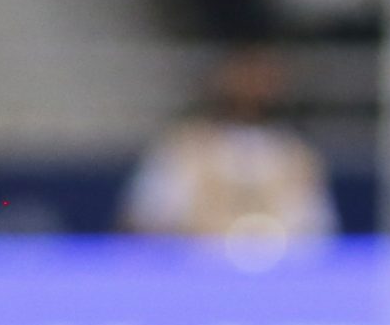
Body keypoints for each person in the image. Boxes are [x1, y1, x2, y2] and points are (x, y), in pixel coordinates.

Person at [120, 45, 336, 245]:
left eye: (262, 77)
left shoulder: (295, 154)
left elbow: (316, 230)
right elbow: (146, 218)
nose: (252, 86)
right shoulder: (183, 145)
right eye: (245, 75)